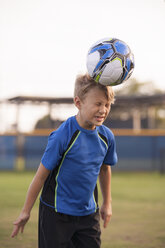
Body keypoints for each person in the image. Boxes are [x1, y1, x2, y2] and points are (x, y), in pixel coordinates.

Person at [11, 74, 118, 248]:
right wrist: (25, 211)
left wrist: (107, 203)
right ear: (78, 103)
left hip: (88, 215)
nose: (103, 110)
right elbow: (40, 177)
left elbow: (105, 169)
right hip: (55, 215)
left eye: (107, 105)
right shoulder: (62, 136)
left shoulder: (107, 137)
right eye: (98, 104)